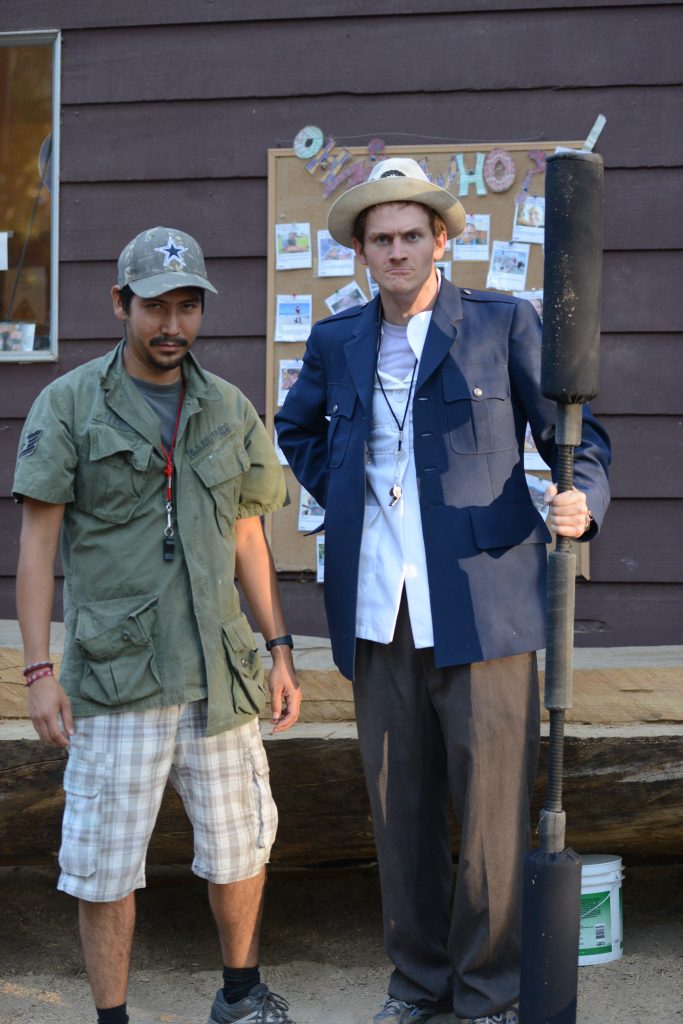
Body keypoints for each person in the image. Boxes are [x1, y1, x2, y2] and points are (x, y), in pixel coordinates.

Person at [275, 159, 611, 1024]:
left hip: (485, 606)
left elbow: (580, 435)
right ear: (360, 251)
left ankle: (488, 992)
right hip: (376, 609)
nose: (395, 250)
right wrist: (346, 495)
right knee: (401, 817)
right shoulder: (335, 340)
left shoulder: (502, 324)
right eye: (379, 239)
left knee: (492, 823)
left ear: (441, 240)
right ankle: (417, 986)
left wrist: (583, 501)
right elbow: (297, 429)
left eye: (410, 235)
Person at [13, 226, 302, 1024]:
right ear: (120, 304)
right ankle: (113, 1018)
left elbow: (249, 535)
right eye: (154, 307)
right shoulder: (69, 403)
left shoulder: (229, 408)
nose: (171, 324)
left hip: (221, 669)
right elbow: (38, 543)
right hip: (116, 676)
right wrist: (38, 670)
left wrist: (278, 648)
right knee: (105, 867)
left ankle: (240, 996)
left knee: (241, 844)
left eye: (186, 306)